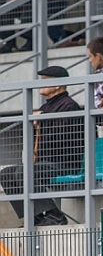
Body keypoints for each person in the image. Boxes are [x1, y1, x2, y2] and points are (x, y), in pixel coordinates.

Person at [0, 65, 81, 226]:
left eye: (45, 80)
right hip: (45, 163)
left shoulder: (68, 105)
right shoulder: (45, 108)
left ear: (57, 85)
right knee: (6, 174)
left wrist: (42, 122)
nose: (40, 84)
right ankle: (34, 216)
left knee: (24, 171)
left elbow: (61, 139)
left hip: (64, 163)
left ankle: (55, 215)